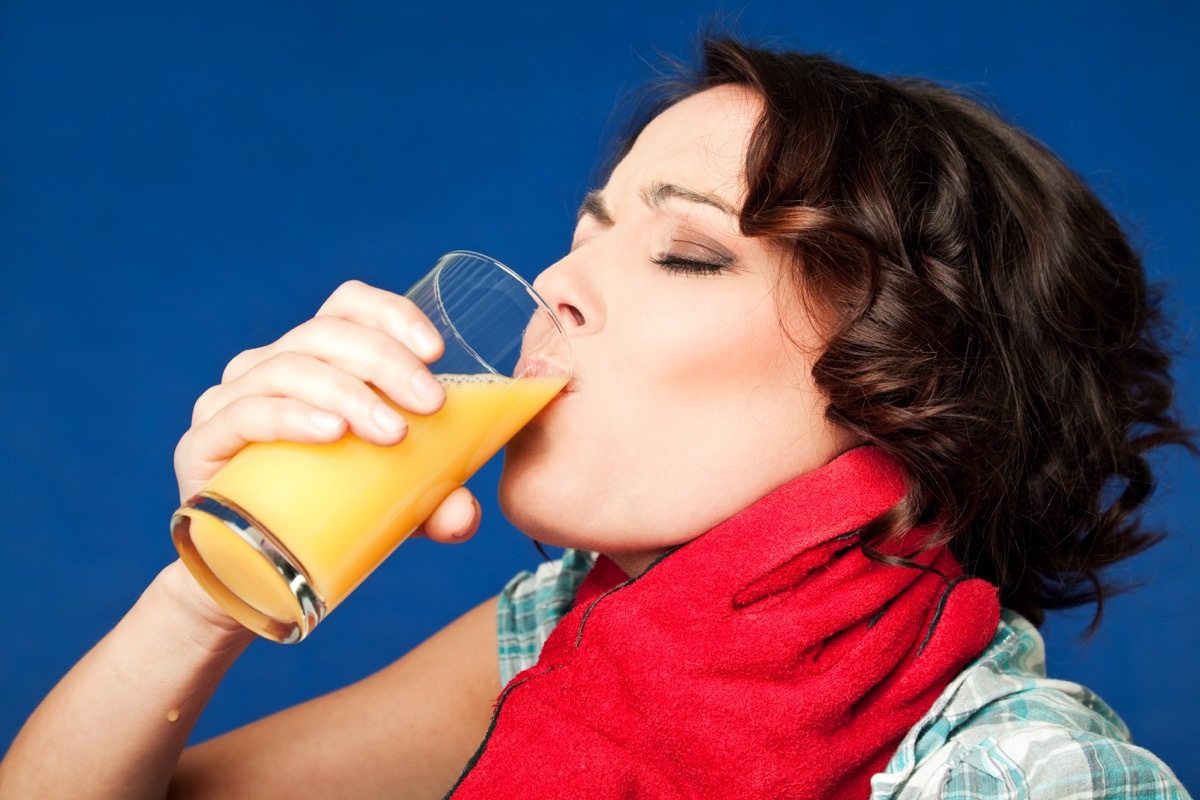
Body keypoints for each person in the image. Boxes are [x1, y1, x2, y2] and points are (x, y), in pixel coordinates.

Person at [0, 37, 1193, 799]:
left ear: (914, 383)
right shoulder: (570, 633)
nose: (556, 283)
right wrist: (201, 593)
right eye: (587, 230)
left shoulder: (1025, 772)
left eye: (684, 252)